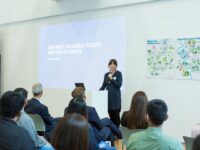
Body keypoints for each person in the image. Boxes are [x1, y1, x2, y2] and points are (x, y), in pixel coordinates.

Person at [100, 59, 122, 128]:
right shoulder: (106, 75)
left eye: (114, 64)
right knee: (111, 117)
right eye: (111, 64)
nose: (112, 65)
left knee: (116, 118)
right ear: (108, 65)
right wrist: (97, 92)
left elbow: (119, 84)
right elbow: (103, 86)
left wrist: (111, 79)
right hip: (108, 99)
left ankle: (118, 132)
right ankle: (113, 132)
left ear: (116, 66)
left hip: (116, 100)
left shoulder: (118, 74)